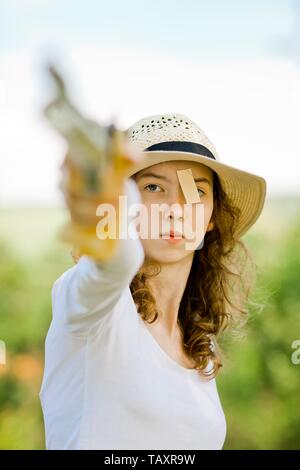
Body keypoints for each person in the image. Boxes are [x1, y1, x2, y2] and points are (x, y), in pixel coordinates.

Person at [39, 113, 267, 450]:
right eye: (153, 187)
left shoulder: (201, 349)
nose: (175, 208)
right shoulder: (96, 306)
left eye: (195, 190)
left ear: (211, 219)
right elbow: (110, 266)